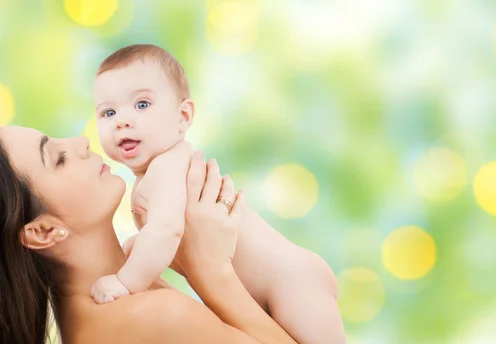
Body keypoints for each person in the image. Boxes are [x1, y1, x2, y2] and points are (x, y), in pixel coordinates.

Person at [91, 44, 346, 343]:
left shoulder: (167, 167)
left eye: (142, 104)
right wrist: (138, 244)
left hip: (292, 284)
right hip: (272, 289)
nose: (122, 120)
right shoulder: (159, 171)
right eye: (109, 112)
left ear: (183, 116)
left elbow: (167, 230)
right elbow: (170, 234)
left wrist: (126, 282)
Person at [0, 125, 300, 344]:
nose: (80, 142)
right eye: (58, 159)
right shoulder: (150, 316)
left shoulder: (126, 285)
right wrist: (210, 271)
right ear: (43, 231)